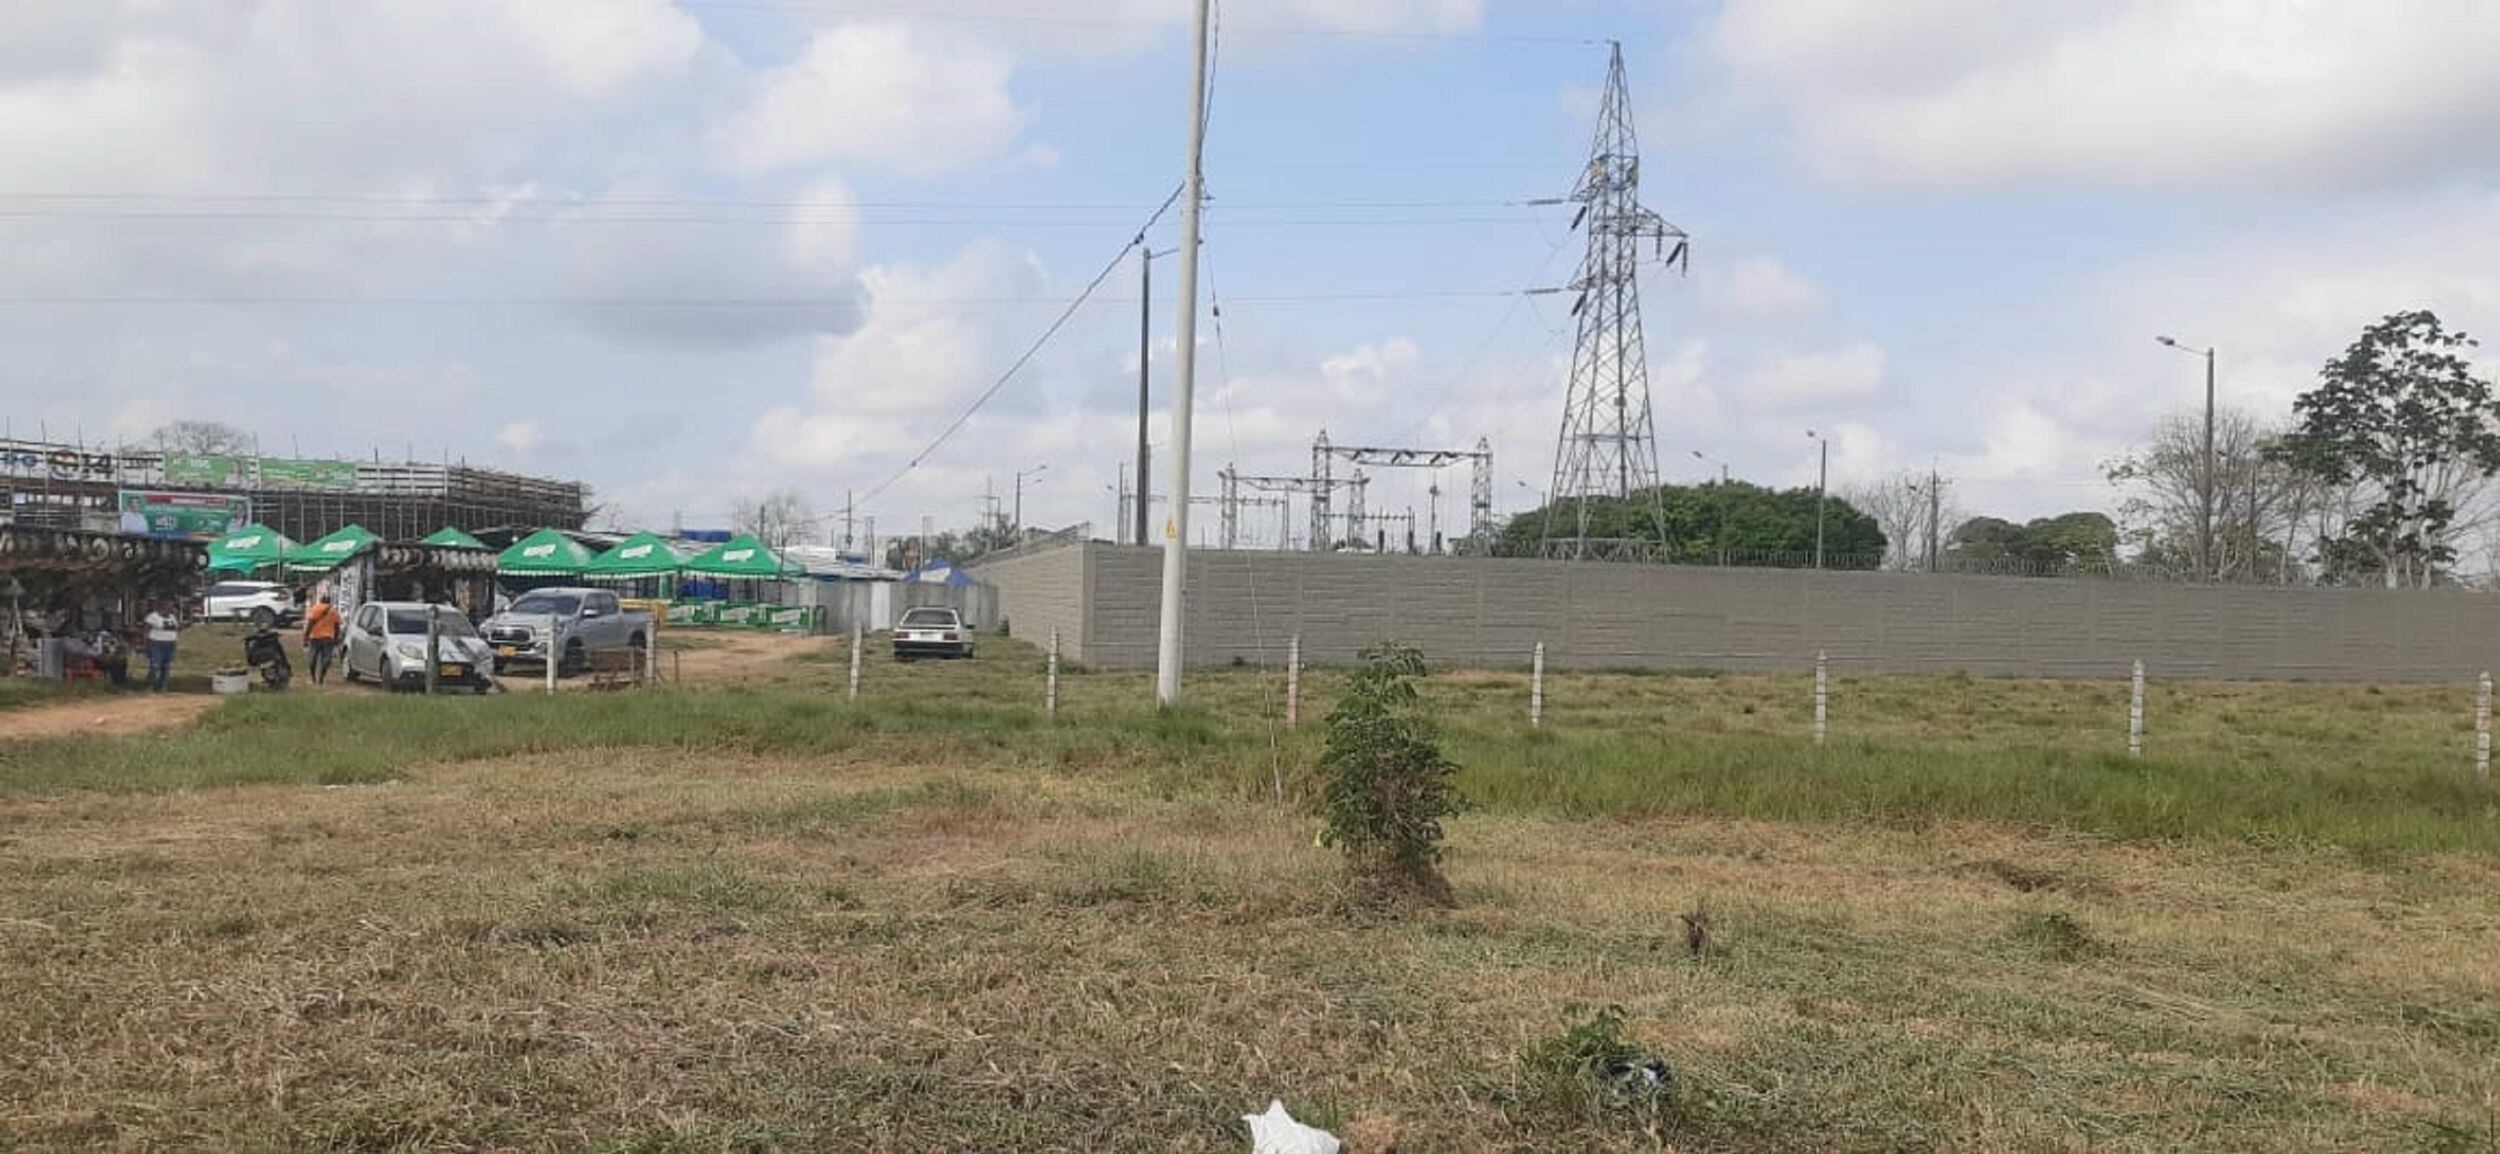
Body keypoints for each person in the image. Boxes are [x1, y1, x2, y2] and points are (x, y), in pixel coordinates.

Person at [142, 600, 180, 692]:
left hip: (170, 644)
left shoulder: (172, 617)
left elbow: (176, 629)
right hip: (156, 643)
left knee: (166, 666)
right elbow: (146, 631)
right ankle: (150, 685)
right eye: (169, 606)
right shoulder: (153, 617)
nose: (171, 608)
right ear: (163, 606)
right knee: (155, 665)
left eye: (172, 607)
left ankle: (163, 686)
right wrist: (145, 643)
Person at [303, 593, 342, 684]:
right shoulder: (334, 611)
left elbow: (310, 624)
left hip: (315, 637)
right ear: (329, 601)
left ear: (320, 600)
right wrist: (336, 639)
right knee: (326, 658)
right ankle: (321, 676)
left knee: (313, 657)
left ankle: (313, 677)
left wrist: (305, 637)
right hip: (328, 638)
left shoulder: (315, 609)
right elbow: (337, 627)